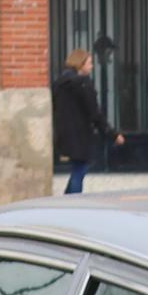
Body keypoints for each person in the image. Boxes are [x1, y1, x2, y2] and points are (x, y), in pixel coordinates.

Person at [52, 41, 109, 192]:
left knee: (78, 169)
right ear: (80, 64)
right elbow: (94, 112)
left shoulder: (59, 83)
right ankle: (72, 200)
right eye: (89, 63)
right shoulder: (83, 84)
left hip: (64, 133)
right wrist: (108, 132)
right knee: (80, 170)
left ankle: (68, 199)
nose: (91, 66)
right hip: (80, 134)